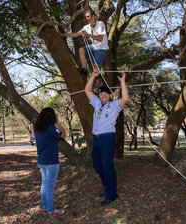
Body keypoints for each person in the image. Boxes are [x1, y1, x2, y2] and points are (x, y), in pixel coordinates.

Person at [84, 69, 129, 206]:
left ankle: (111, 194)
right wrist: (93, 76)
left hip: (107, 139)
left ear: (109, 95)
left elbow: (125, 98)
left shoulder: (114, 105)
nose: (103, 95)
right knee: (97, 165)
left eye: (105, 93)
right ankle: (108, 188)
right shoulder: (97, 103)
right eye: (101, 93)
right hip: (96, 139)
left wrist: (122, 82)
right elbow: (87, 91)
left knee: (107, 166)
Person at [34, 107, 66, 215]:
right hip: (51, 162)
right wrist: (58, 122)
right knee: (50, 187)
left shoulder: (37, 128)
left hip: (41, 161)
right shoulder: (51, 128)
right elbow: (64, 134)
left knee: (44, 184)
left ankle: (45, 207)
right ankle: (51, 210)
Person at [60, 9, 109, 79]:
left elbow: (100, 38)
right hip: (94, 47)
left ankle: (96, 73)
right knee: (81, 50)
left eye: (88, 16)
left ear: (93, 16)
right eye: (86, 17)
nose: (87, 19)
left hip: (102, 48)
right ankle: (84, 69)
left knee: (94, 66)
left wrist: (88, 34)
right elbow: (76, 34)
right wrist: (64, 35)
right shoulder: (87, 27)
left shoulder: (100, 24)